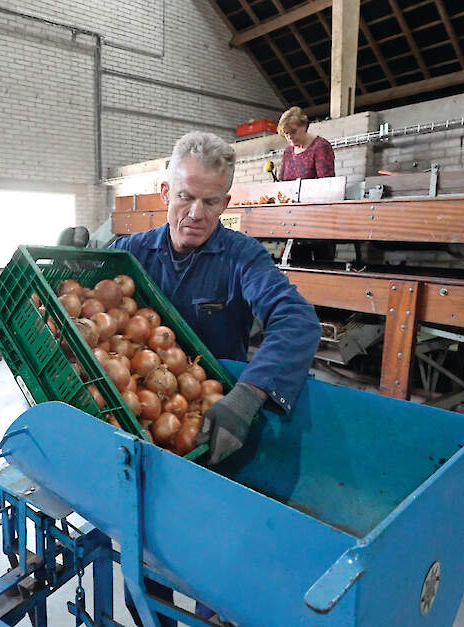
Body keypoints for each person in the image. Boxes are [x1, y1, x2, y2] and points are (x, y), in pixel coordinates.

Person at [110, 131, 322, 626]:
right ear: (166, 193)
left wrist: (247, 397)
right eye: (185, 197)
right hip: (137, 429)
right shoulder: (129, 254)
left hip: (214, 434)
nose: (196, 213)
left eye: (210, 201)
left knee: (213, 566)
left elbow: (297, 321)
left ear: (226, 201)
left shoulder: (243, 258)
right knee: (144, 563)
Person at [276, 106, 335, 180]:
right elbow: (282, 182)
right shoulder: (288, 152)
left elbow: (326, 183)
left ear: (304, 126)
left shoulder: (320, 147)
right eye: (286, 133)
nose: (289, 137)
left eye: (293, 132)